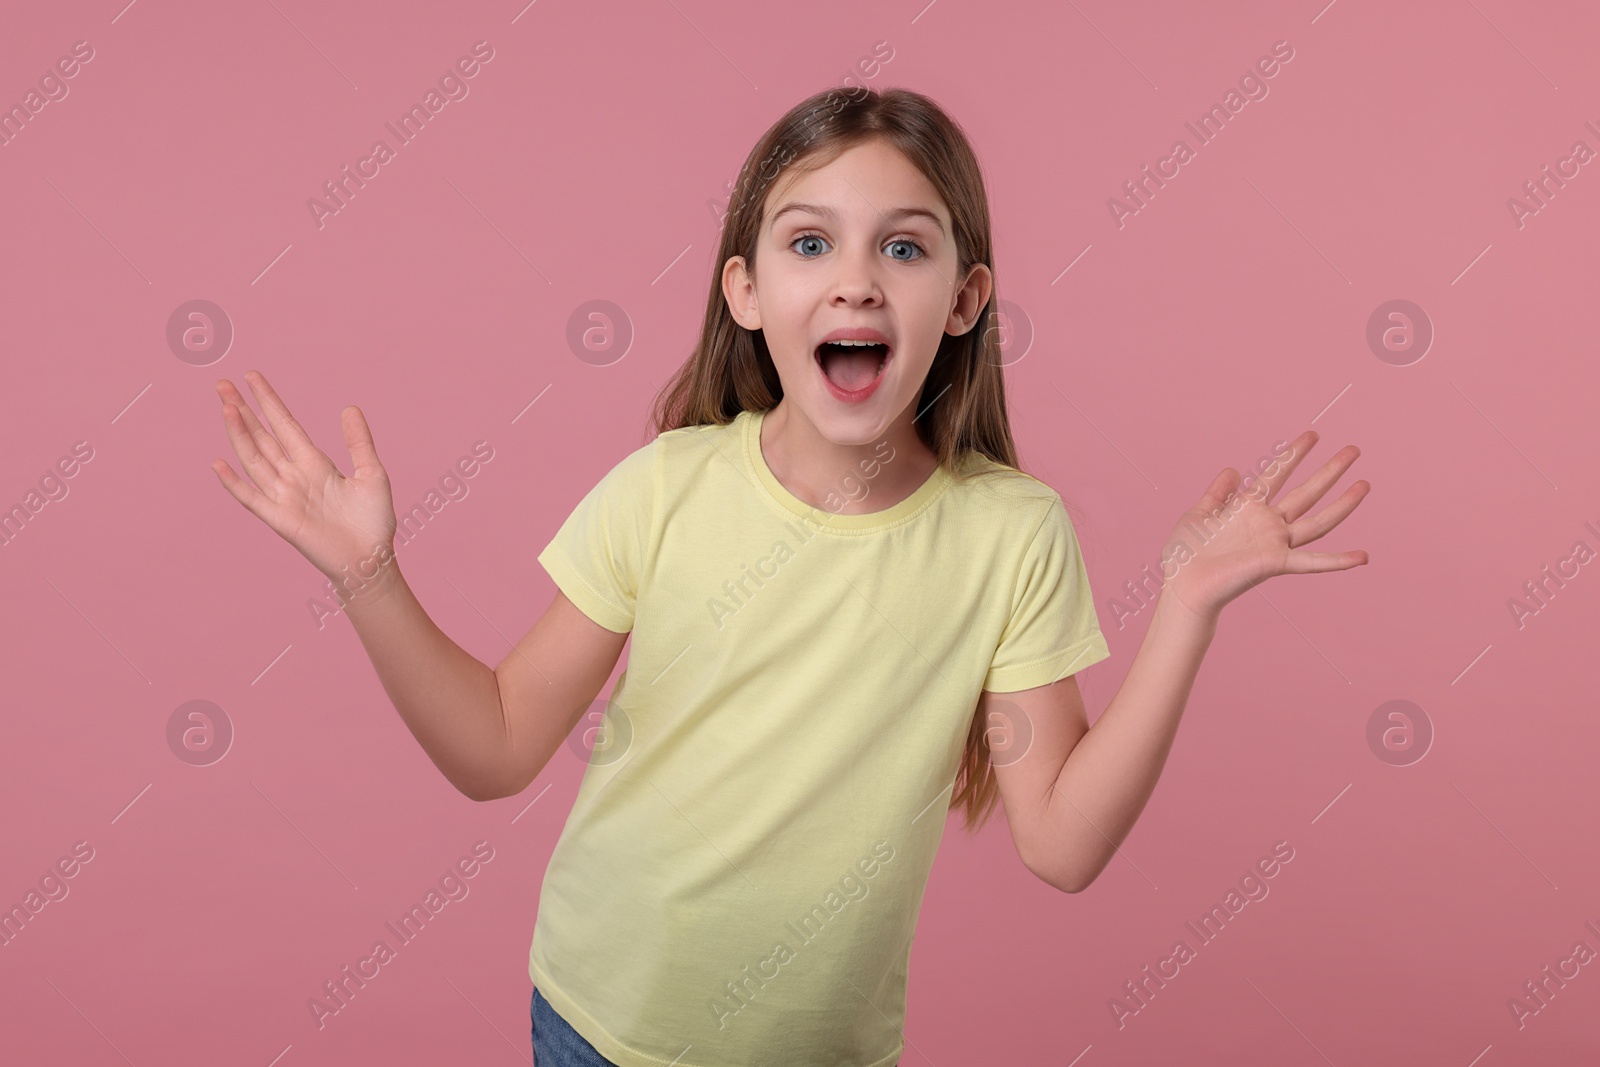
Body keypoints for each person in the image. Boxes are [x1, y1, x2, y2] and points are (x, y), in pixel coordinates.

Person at [210, 85, 1369, 1067]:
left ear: (963, 300)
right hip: (598, 1024)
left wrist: (1184, 607)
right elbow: (497, 743)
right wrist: (368, 575)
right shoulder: (666, 487)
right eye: (810, 242)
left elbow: (1061, 844)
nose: (856, 281)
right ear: (746, 292)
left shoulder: (1010, 534)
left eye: (902, 246)